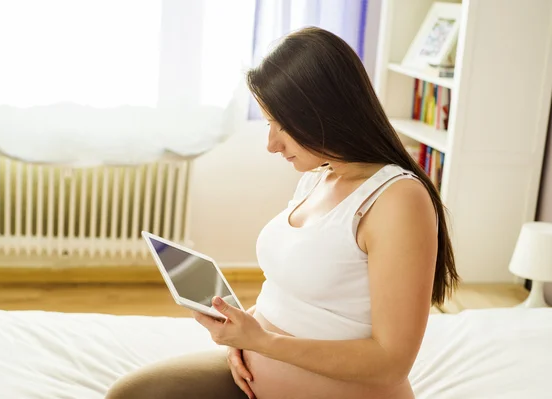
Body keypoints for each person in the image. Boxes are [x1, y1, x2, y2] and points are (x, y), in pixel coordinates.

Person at [106, 26, 459, 399]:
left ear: (326, 112)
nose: (271, 144)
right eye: (268, 124)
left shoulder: (398, 200)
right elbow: (296, 292)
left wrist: (262, 341)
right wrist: (241, 334)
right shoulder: (318, 178)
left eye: (282, 126)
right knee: (131, 393)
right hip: (255, 373)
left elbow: (391, 363)